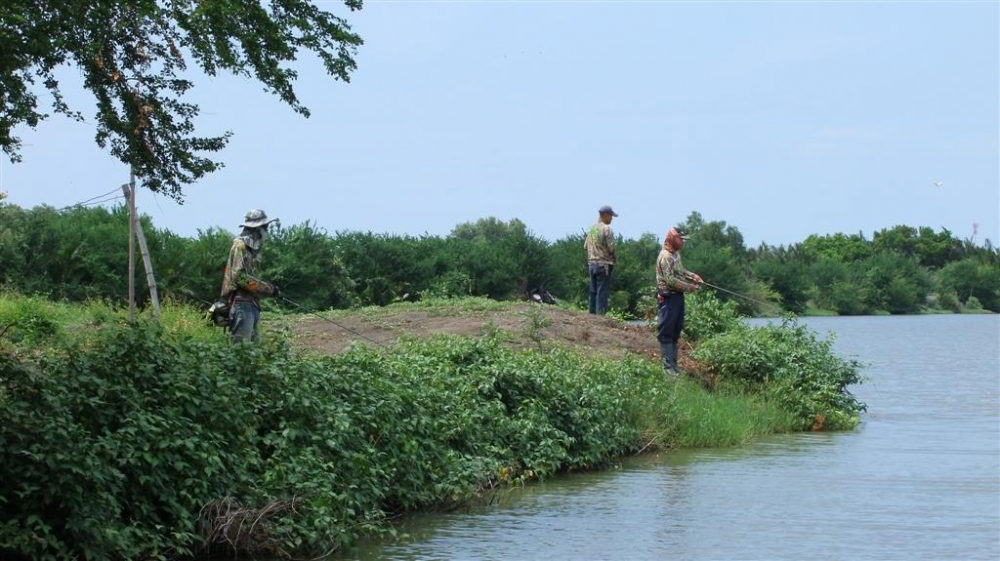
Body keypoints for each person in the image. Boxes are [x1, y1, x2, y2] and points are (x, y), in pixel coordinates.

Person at [220, 209, 280, 343]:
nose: (267, 230)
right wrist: (268, 289)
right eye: (265, 227)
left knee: (254, 354)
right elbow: (239, 278)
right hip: (241, 305)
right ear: (257, 229)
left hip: (252, 304)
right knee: (241, 352)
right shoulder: (240, 246)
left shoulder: (253, 250)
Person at [655, 226, 702, 376]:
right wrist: (689, 287)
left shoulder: (676, 255)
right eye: (680, 239)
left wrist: (693, 276)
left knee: (676, 330)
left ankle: (674, 366)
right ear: (672, 238)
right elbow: (670, 280)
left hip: (678, 297)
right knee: (666, 331)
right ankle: (667, 367)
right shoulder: (665, 256)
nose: (682, 242)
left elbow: (680, 271)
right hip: (668, 297)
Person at [584, 205, 619, 315]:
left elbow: (585, 246)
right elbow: (611, 248)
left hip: (591, 264)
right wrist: (614, 258)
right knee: (602, 292)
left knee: (593, 291)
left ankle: (592, 315)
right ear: (605, 215)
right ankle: (601, 317)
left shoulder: (592, 228)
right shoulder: (606, 229)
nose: (612, 219)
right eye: (611, 216)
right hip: (603, 264)